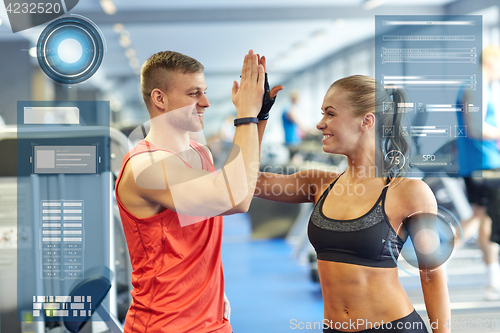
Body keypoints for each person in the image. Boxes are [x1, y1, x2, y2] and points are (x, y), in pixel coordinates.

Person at [255, 75, 450, 332]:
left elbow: (432, 275)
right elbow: (248, 182)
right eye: (322, 114)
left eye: (330, 114)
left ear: (366, 121)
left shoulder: (409, 192)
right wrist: (257, 118)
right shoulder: (317, 183)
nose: (320, 123)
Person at [115, 50, 282, 332]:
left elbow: (239, 191)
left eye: (203, 92)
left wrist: (259, 117)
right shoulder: (146, 166)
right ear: (160, 99)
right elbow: (232, 198)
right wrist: (245, 117)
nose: (205, 102)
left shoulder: (198, 152)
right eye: (194, 94)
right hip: (165, 325)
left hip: (212, 318)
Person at [455, 45, 500, 301]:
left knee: (482, 218)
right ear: (492, 61)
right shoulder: (476, 87)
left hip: (482, 163)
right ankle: (434, 256)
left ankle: (493, 280)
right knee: (485, 218)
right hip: (484, 164)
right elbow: (475, 128)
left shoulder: (479, 86)